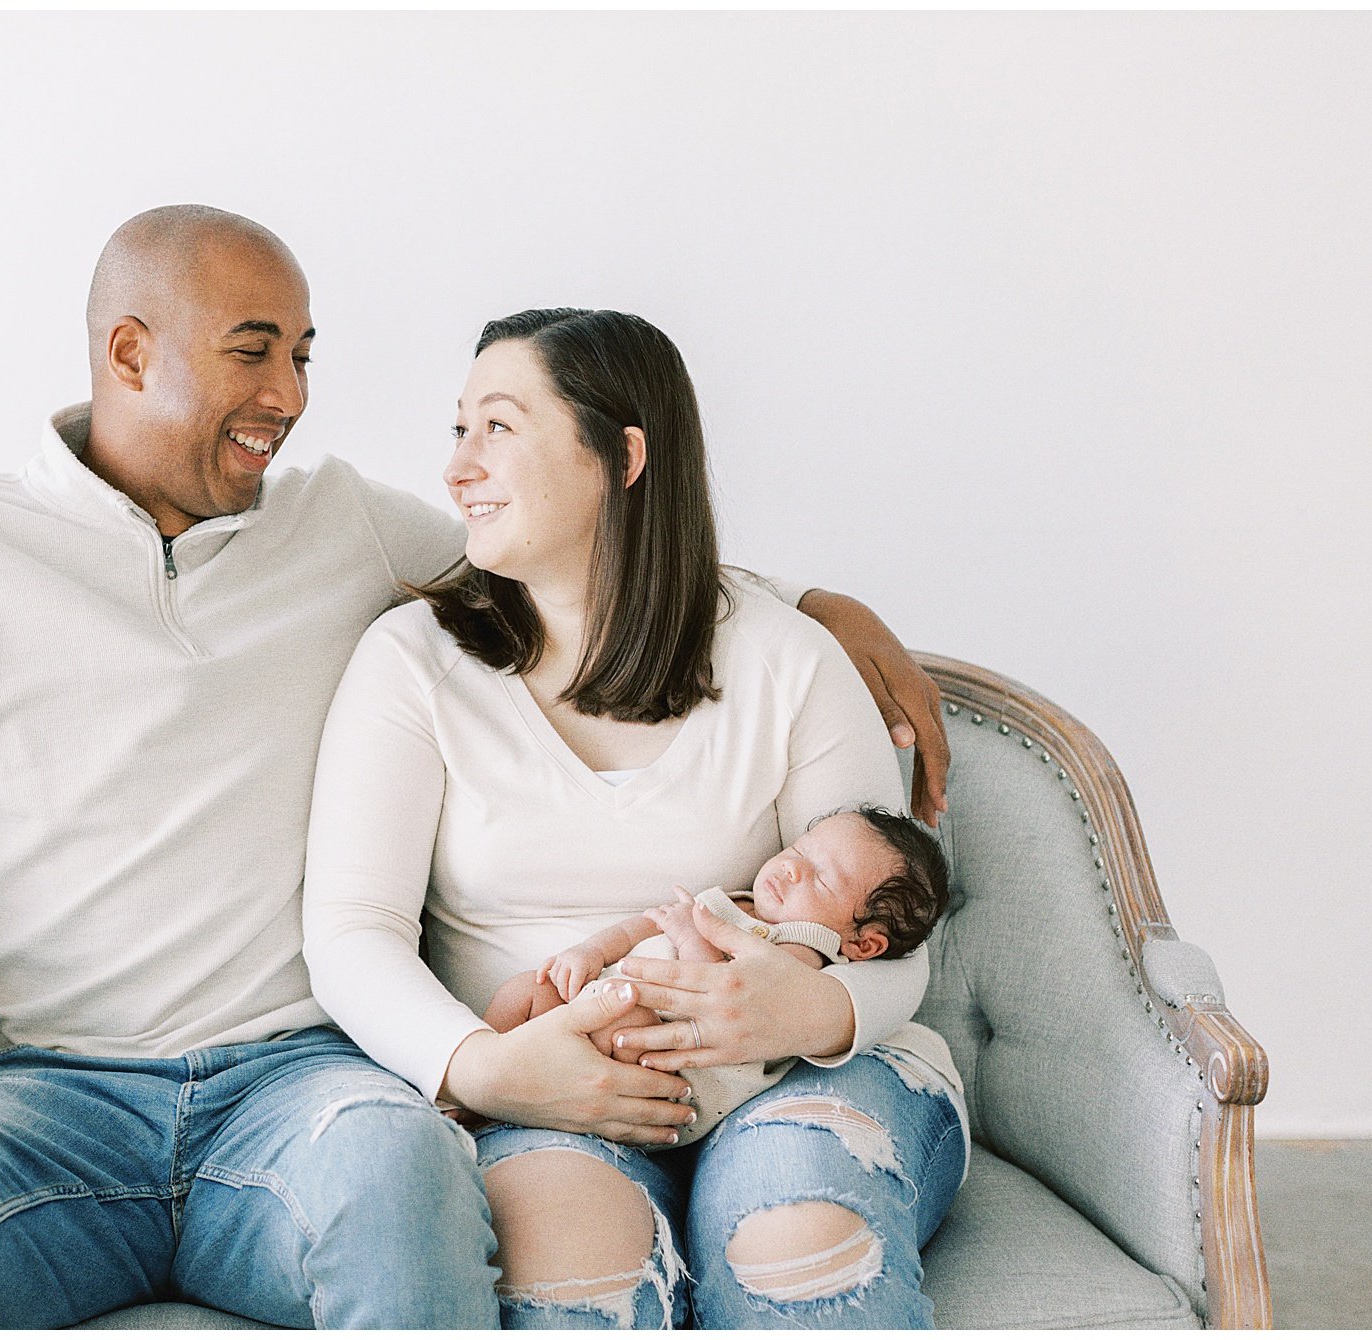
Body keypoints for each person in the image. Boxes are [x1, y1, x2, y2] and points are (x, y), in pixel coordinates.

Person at [0, 206, 951, 1328]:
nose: (289, 396)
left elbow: (593, 561)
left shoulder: (337, 525)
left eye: (303, 355)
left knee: (403, 1162)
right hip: (32, 1090)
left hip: (299, 1087)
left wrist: (815, 604)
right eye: (252, 351)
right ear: (130, 353)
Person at [303, 307, 969, 1327]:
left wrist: (808, 1011)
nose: (456, 470)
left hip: (798, 1072)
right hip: (544, 1092)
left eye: (498, 426)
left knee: (787, 1233)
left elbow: (892, 924)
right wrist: (487, 1066)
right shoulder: (411, 664)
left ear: (622, 454)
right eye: (455, 430)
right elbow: (352, 930)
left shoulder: (786, 657)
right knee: (575, 1267)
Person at [481, 805, 951, 1144]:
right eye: (798, 851)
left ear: (863, 943)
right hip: (610, 1000)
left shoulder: (804, 955)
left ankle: (533, 1097)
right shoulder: (736, 902)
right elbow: (648, 921)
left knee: (618, 1028)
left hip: (671, 1068)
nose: (790, 868)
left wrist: (692, 937)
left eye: (821, 877)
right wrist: (589, 950)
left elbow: (726, 1004)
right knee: (524, 991)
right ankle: (477, 1097)